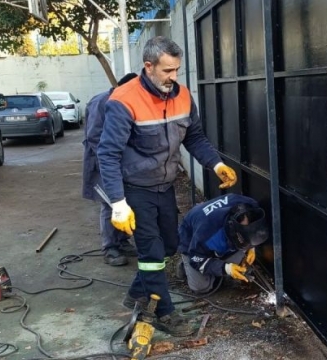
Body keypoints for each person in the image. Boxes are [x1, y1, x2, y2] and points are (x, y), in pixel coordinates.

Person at [97, 36, 237, 337]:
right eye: (167, 71)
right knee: (150, 253)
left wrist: (216, 164)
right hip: (134, 188)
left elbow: (194, 137)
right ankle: (164, 313)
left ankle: (137, 293)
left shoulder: (183, 96)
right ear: (149, 66)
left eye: (177, 70)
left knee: (170, 246)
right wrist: (118, 204)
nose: (173, 78)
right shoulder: (124, 100)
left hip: (164, 185)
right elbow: (107, 154)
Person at [82, 72, 138, 266]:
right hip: (102, 163)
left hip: (119, 163)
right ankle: (110, 248)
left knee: (123, 201)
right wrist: (111, 161)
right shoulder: (101, 102)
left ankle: (121, 241)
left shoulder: (123, 102)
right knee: (110, 204)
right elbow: (94, 137)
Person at [177, 194, 270, 294]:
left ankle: (214, 263)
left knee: (235, 261)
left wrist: (252, 248)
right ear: (232, 227)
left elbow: (253, 229)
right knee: (202, 287)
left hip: (211, 234)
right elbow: (196, 259)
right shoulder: (207, 231)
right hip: (192, 245)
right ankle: (184, 264)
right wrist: (226, 268)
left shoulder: (251, 205)